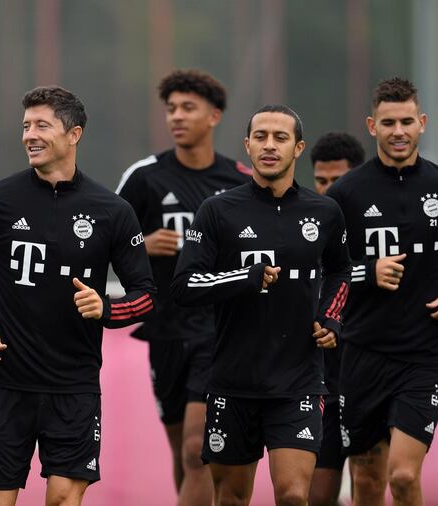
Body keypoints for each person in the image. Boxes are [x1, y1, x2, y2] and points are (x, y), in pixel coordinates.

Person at [0, 86, 156, 506]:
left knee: (62, 499)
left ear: (74, 134)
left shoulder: (112, 210)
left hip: (73, 386)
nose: (30, 135)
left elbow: (146, 295)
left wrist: (107, 308)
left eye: (42, 125)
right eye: (26, 126)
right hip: (4, 383)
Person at [170, 104, 351, 506]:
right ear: (247, 145)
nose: (270, 145)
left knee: (292, 494)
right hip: (233, 381)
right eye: (261, 137)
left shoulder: (324, 212)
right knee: (232, 497)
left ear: (298, 147)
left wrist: (331, 316)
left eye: (281, 137)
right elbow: (184, 286)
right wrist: (244, 277)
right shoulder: (217, 211)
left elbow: (341, 271)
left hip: (299, 380)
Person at [327, 77, 438, 506]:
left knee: (402, 475)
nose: (397, 131)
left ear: (422, 123)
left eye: (405, 121)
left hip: (423, 354)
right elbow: (324, 267)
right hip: (361, 351)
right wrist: (367, 271)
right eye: (387, 123)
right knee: (365, 479)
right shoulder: (346, 193)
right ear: (371, 126)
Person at [115, 69, 249, 505]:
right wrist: (143, 243)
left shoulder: (240, 180)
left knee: (197, 450)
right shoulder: (145, 177)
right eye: (171, 108)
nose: (176, 116)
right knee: (182, 449)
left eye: (188, 108)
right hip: (165, 330)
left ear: (214, 116)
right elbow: (104, 242)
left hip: (217, 329)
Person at [308, 132, 365, 506]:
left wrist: (369, 272)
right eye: (321, 180)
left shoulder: (376, 224)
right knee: (316, 489)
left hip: (368, 363)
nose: (328, 190)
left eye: (338, 180)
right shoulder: (305, 225)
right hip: (319, 371)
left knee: (370, 474)